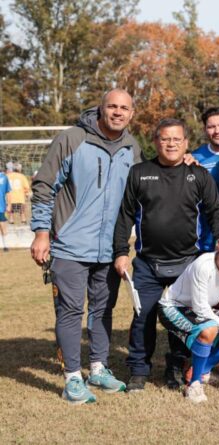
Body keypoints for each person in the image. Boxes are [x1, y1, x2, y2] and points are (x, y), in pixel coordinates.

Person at [29, 89, 138, 404]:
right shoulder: (72, 139)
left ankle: (98, 368)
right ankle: (73, 378)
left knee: (103, 310)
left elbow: (143, 186)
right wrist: (41, 233)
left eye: (124, 108)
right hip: (70, 245)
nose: (118, 112)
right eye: (112, 106)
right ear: (101, 109)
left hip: (110, 249)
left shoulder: (132, 147)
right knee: (71, 310)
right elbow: (45, 185)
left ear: (131, 113)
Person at [113, 118, 219, 392]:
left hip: (187, 264)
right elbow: (125, 215)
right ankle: (138, 370)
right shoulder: (139, 173)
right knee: (143, 318)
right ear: (156, 141)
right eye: (165, 138)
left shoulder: (198, 174)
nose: (171, 144)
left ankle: (176, 366)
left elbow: (216, 212)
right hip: (147, 264)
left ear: (186, 143)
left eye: (177, 139)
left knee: (182, 320)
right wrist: (121, 252)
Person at [157, 223, 219, 403]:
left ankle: (200, 368)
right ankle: (194, 386)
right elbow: (200, 308)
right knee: (210, 329)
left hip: (201, 309)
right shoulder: (203, 264)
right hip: (173, 306)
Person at [193, 107, 219, 252]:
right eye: (211, 127)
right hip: (206, 239)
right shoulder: (195, 158)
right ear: (205, 130)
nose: (217, 131)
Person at [0, 169, 10, 251]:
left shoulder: (4, 177)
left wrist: (9, 204)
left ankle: (5, 245)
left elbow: (8, 192)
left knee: (3, 226)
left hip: (1, 206)